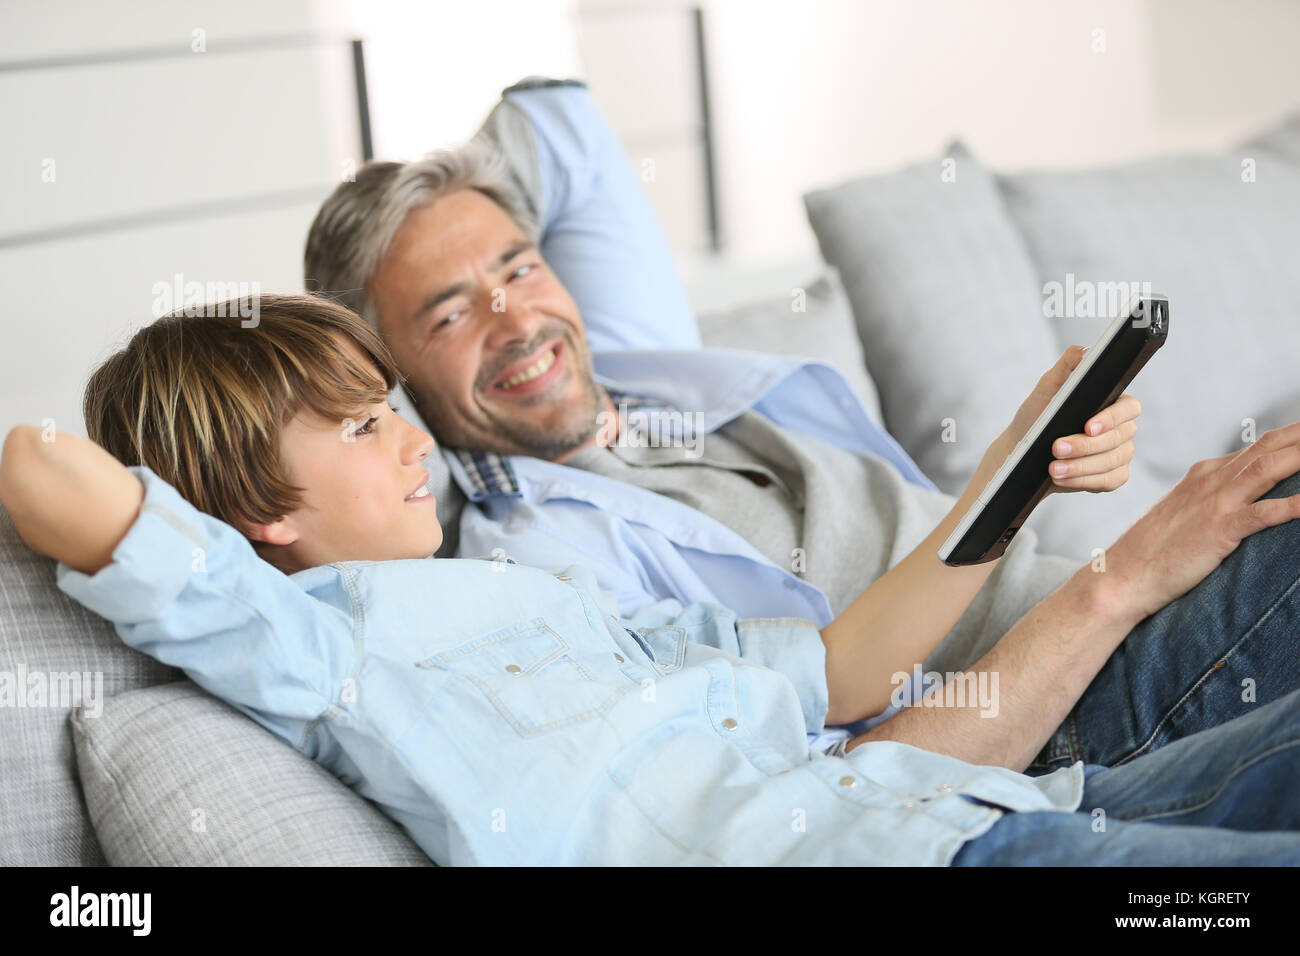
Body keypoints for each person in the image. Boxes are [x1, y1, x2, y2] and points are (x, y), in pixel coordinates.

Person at [3, 294, 1299, 866]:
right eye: (358, 429)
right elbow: (46, 469)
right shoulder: (318, 645)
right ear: (247, 514)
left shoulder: (539, 599)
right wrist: (201, 536)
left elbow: (844, 673)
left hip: (946, 803)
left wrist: (1009, 478)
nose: (413, 442)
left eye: (394, 409)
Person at [304, 77, 1300, 769]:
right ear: (389, 375)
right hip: (1061, 711)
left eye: (518, 264)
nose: (515, 319)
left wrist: (1030, 469)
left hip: (1105, 600)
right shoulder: (543, 554)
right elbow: (818, 746)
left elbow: (558, 117)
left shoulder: (640, 371)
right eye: (449, 311)